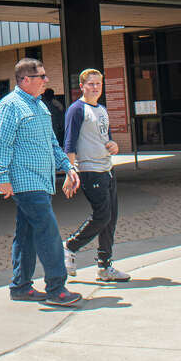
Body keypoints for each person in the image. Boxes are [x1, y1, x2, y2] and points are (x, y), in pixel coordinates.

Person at [0, 58, 82, 306]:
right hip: (24, 181)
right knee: (48, 230)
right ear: (25, 80)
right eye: (41, 76)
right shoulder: (9, 107)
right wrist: (2, 178)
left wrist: (68, 167)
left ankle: (20, 286)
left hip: (41, 180)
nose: (46, 80)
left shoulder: (40, 106)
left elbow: (52, 143)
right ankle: (56, 288)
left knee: (27, 234)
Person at [62, 69, 130, 282]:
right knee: (102, 216)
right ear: (81, 86)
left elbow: (106, 138)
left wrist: (114, 145)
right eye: (90, 84)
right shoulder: (76, 110)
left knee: (111, 218)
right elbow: (70, 143)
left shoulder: (101, 110)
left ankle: (105, 266)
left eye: (98, 84)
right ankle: (70, 246)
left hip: (107, 169)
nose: (95, 87)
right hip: (90, 171)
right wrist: (69, 171)